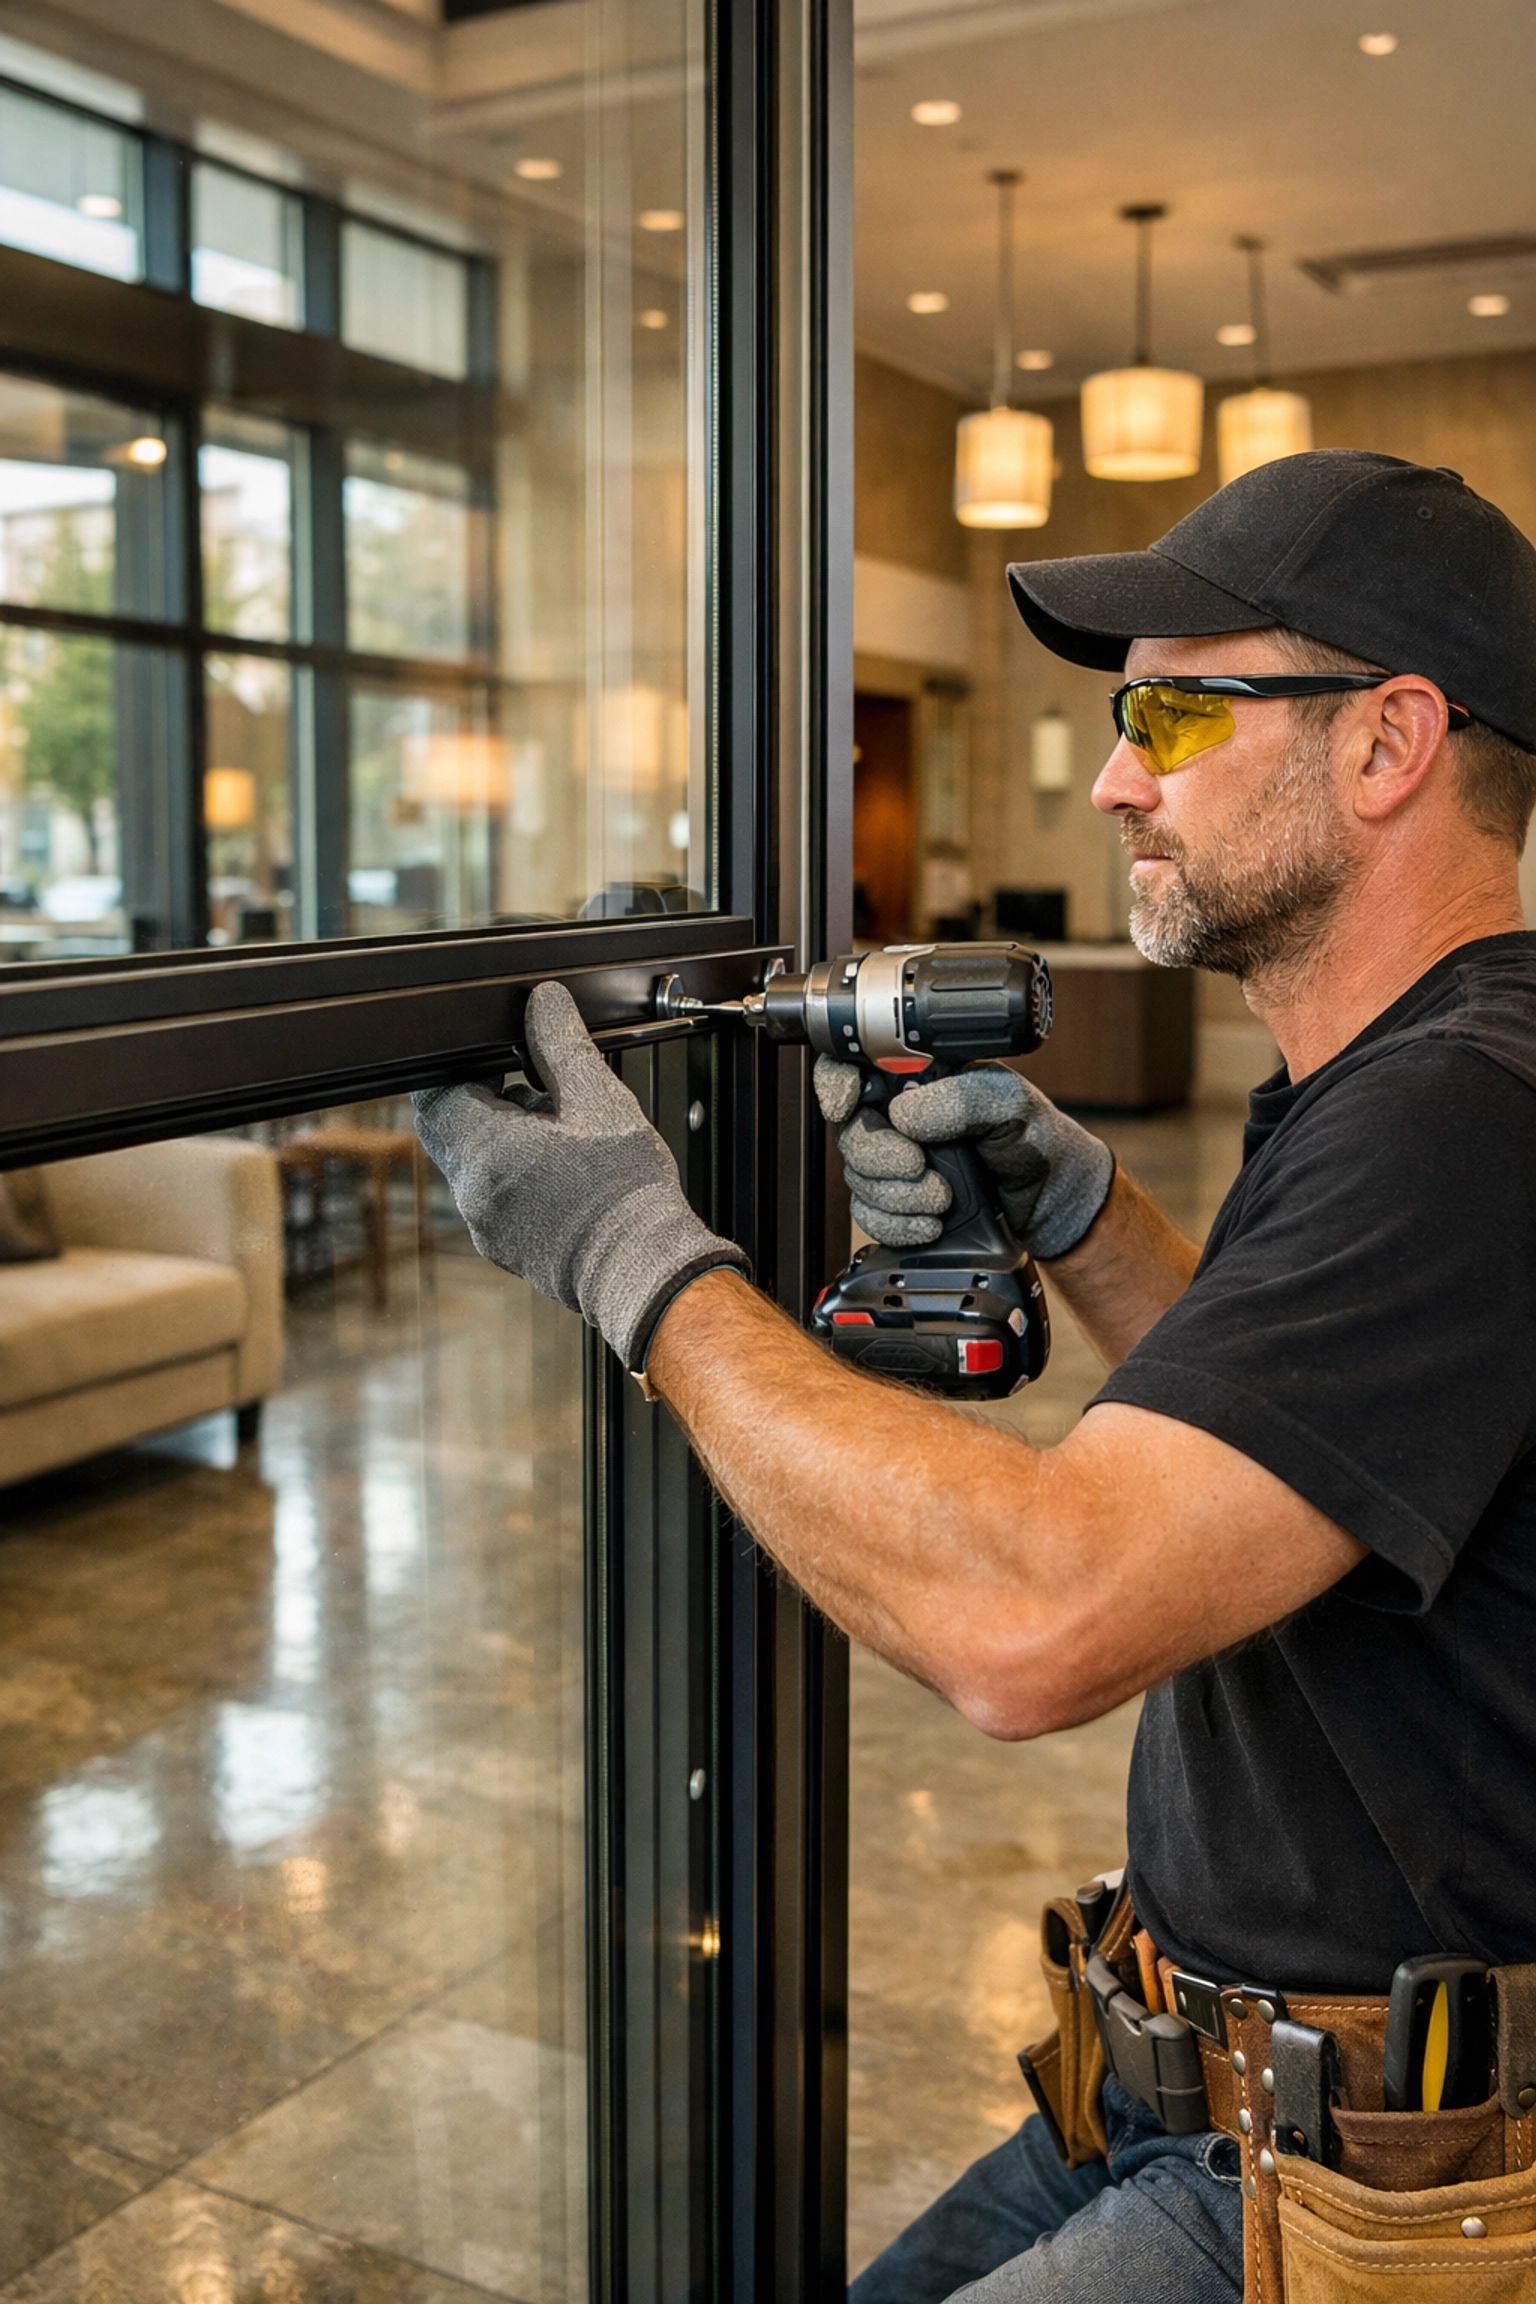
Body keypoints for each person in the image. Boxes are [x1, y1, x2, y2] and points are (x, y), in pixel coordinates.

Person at [416, 450, 1536, 2302]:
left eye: (1175, 710)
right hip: (1194, 2097)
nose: (1113, 774)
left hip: (1368, 2197)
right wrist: (1085, 1212)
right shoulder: (1393, 1080)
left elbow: (1038, 1618)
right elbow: (1296, 1451)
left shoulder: (1460, 1118)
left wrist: (634, 1256)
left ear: (1391, 741)